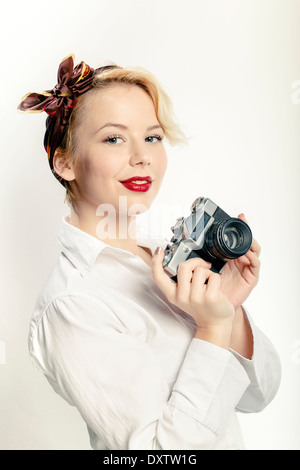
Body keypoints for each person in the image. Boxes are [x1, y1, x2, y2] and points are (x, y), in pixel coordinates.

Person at [18, 54, 281, 450]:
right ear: (65, 162)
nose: (142, 156)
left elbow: (259, 396)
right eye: (114, 138)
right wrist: (210, 330)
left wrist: (229, 311)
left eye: (153, 137)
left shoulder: (167, 256)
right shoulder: (73, 303)